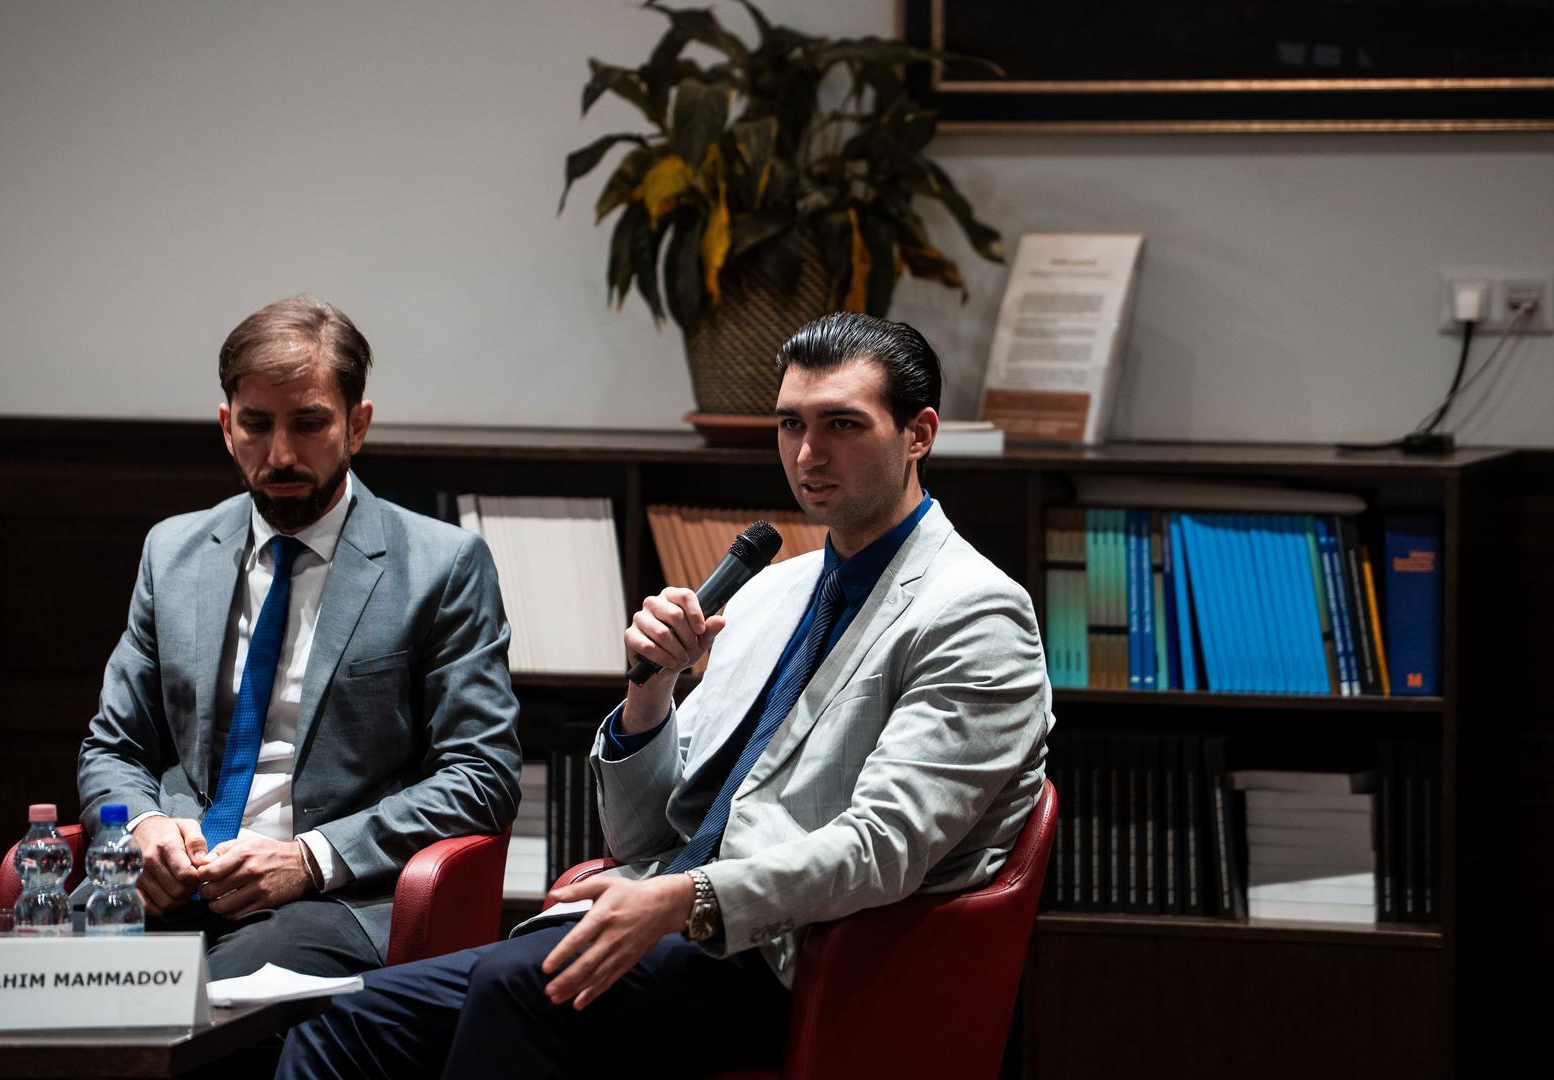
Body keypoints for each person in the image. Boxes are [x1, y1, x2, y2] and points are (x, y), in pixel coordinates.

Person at [276, 311, 1054, 1077]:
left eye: (842, 425)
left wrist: (687, 899)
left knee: (517, 990)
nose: (807, 454)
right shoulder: (768, 593)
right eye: (790, 424)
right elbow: (641, 832)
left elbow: (883, 848)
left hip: (794, 955)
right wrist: (650, 694)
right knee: (341, 1018)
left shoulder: (973, 613)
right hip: (663, 913)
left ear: (918, 434)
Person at [77, 296, 522, 978]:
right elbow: (114, 746)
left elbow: (481, 775)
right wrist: (143, 827)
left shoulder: (441, 566)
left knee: (216, 997)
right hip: (174, 883)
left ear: (356, 426)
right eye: (256, 425)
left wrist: (309, 859)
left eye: (309, 424)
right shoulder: (173, 554)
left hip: (329, 899)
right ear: (227, 427)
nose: (280, 454)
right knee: (43, 984)